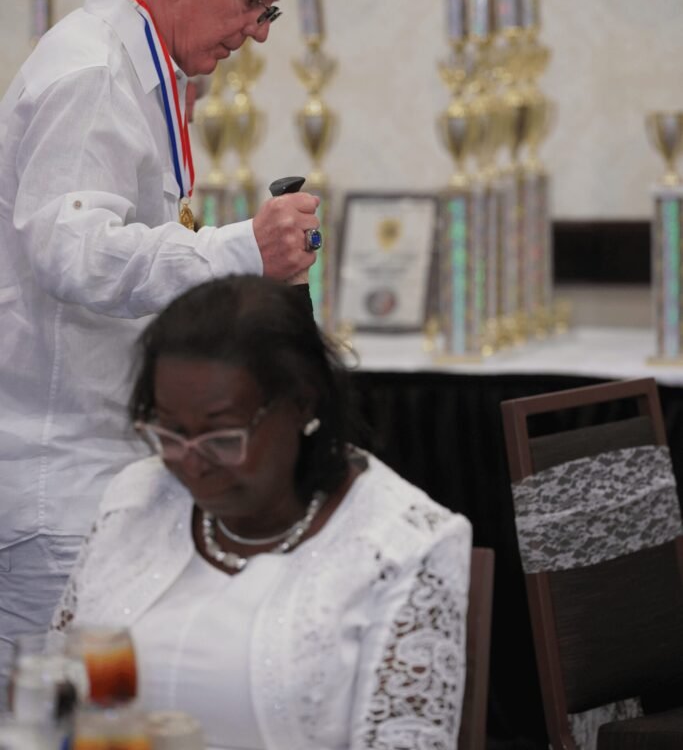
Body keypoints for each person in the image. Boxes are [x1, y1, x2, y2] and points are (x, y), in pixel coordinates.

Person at [0, 0, 320, 685]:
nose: (258, 33)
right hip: (59, 482)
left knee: (101, 713)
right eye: (254, 1)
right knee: (66, 720)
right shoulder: (93, 73)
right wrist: (241, 250)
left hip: (91, 464)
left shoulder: (135, 69)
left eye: (270, 11)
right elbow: (71, 253)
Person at [54, 275, 472, 750]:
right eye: (170, 432)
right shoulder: (139, 498)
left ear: (301, 404)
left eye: (222, 437)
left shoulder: (400, 546)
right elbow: (57, 691)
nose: (192, 463)